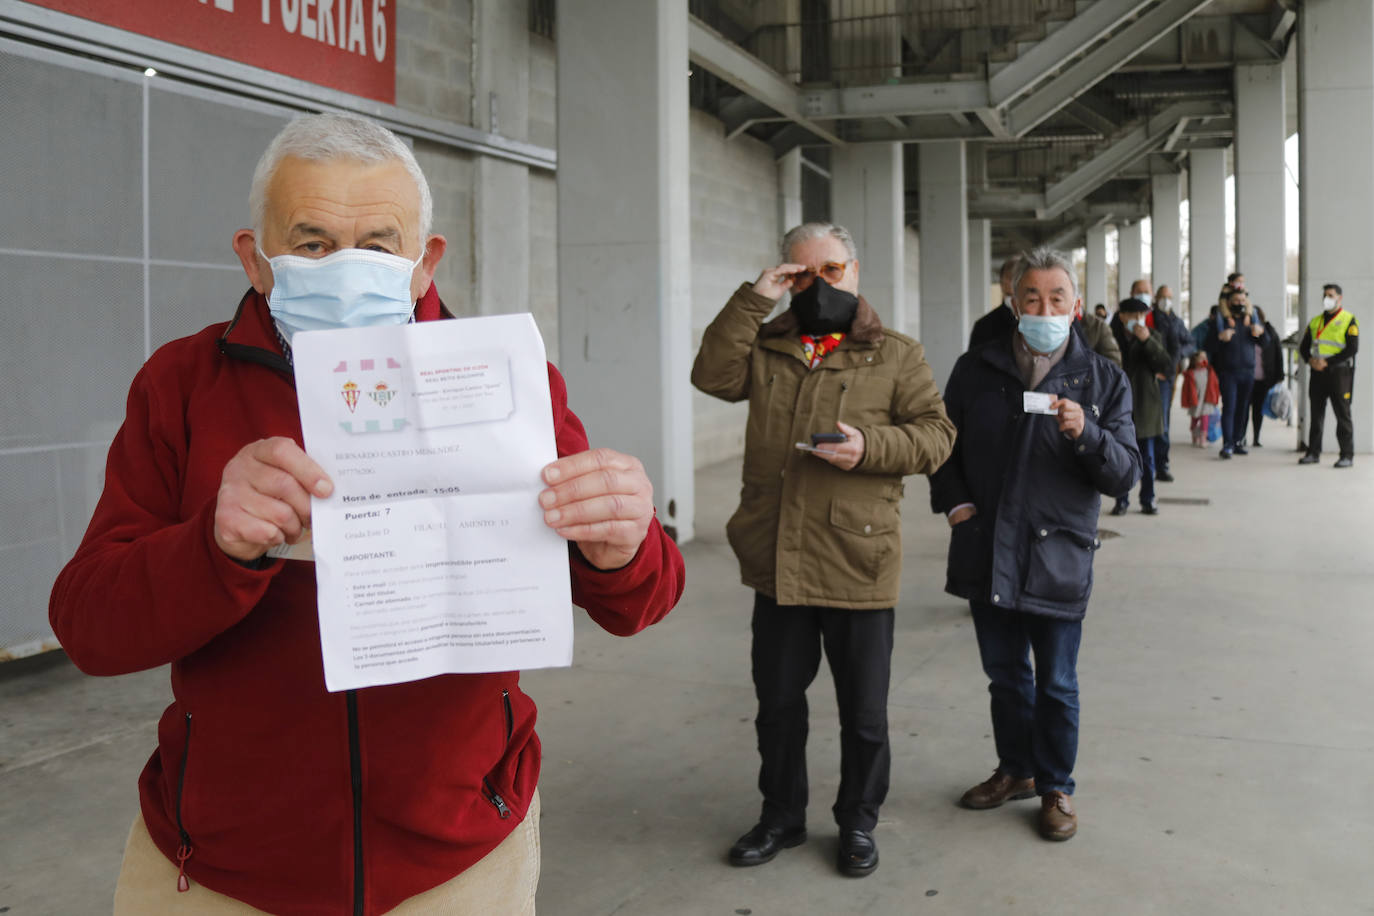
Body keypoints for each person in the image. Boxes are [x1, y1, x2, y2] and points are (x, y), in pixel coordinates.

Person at [48, 113, 686, 916]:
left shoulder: (506, 385)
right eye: (311, 244)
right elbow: (88, 626)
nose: (346, 268)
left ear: (425, 264)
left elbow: (642, 602)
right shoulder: (181, 386)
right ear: (255, 258)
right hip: (224, 865)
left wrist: (622, 546)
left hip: (456, 858)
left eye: (379, 245)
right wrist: (210, 548)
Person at [692, 221, 955, 878]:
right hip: (777, 557)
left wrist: (871, 448)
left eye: (831, 271)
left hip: (856, 561)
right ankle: (780, 814)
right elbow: (711, 374)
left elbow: (936, 436)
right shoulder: (769, 344)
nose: (819, 286)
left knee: (862, 714)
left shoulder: (895, 354)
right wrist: (756, 299)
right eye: (801, 274)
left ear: (855, 271)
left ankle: (858, 821)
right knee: (777, 705)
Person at [929, 246, 1139, 843]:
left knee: (1056, 682)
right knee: (1005, 677)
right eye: (1031, 298)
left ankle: (1057, 786)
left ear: (1076, 307)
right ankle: (1016, 770)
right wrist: (957, 506)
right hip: (986, 546)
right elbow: (942, 444)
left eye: (1056, 298)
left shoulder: (1103, 380)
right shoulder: (977, 369)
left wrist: (1087, 432)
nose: (1043, 307)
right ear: (1013, 303)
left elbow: (1125, 475)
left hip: (1058, 553)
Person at [1109, 297, 1173, 515]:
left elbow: (1165, 364)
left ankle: (1148, 499)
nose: (1138, 320)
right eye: (1133, 316)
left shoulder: (1152, 336)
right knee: (1119, 458)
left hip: (1145, 405)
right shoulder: (1111, 336)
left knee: (1147, 457)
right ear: (1122, 316)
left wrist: (1147, 342)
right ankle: (1121, 500)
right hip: (1118, 405)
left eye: (1142, 316)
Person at [1298, 284, 1358, 467]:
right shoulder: (1315, 321)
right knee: (1316, 416)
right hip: (1318, 374)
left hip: (1339, 374)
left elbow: (1352, 348)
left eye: (1331, 295)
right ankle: (1313, 453)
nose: (1327, 298)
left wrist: (1328, 362)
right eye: (1325, 295)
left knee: (1343, 415)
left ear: (1339, 298)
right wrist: (1310, 360)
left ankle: (1346, 455)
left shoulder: (1349, 320)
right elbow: (1303, 347)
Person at [1205, 287, 1262, 458]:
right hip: (1228, 372)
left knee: (1243, 408)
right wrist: (1220, 337)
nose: (1240, 304)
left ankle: (1238, 441)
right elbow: (1209, 345)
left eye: (1243, 301)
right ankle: (1227, 444)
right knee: (1229, 407)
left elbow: (1265, 341)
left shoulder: (1251, 320)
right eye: (1236, 301)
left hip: (1247, 371)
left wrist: (1259, 332)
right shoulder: (1220, 321)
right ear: (1229, 303)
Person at [1149, 284, 1191, 481]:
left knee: (1163, 423)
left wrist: (1179, 356)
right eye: (1163, 296)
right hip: (1147, 377)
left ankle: (1162, 464)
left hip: (1167, 378)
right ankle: (1146, 464)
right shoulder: (1149, 319)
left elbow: (1190, 343)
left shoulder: (1176, 322)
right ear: (1156, 298)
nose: (1166, 300)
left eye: (1169, 297)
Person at [1243, 305, 1283, 448]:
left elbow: (1278, 353)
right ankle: (1242, 437)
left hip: (1264, 379)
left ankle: (1256, 438)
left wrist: (1280, 375)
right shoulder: (1245, 332)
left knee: (1258, 411)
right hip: (1247, 378)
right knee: (1243, 410)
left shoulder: (1269, 332)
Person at [969, 256, 1020, 348]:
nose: (1014, 283)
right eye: (1010, 278)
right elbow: (972, 361)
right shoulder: (984, 326)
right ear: (1001, 283)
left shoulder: (1039, 323)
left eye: (1018, 277)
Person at [1181, 352, 1221, 446]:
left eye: (1205, 357)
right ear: (1195, 360)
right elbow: (1186, 389)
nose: (1203, 359)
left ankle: (1203, 438)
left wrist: (1215, 398)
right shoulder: (1190, 373)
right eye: (1201, 357)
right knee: (1194, 419)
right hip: (1195, 401)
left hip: (1206, 400)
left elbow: (1215, 386)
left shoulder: (1209, 371)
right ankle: (1195, 435)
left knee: (1205, 419)